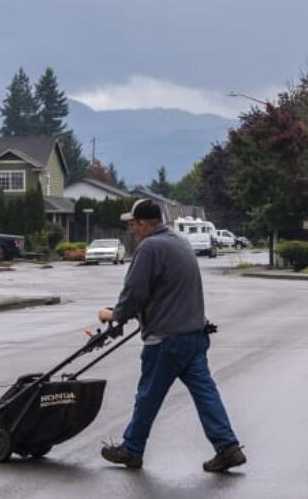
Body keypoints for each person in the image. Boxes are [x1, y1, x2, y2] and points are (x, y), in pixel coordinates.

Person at [97, 198, 245, 472]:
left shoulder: (150, 248)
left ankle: (132, 448)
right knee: (206, 394)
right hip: (194, 334)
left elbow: (135, 293)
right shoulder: (180, 242)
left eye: (133, 224)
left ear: (143, 223)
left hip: (166, 339)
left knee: (148, 396)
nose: (132, 230)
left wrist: (114, 315)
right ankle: (227, 446)